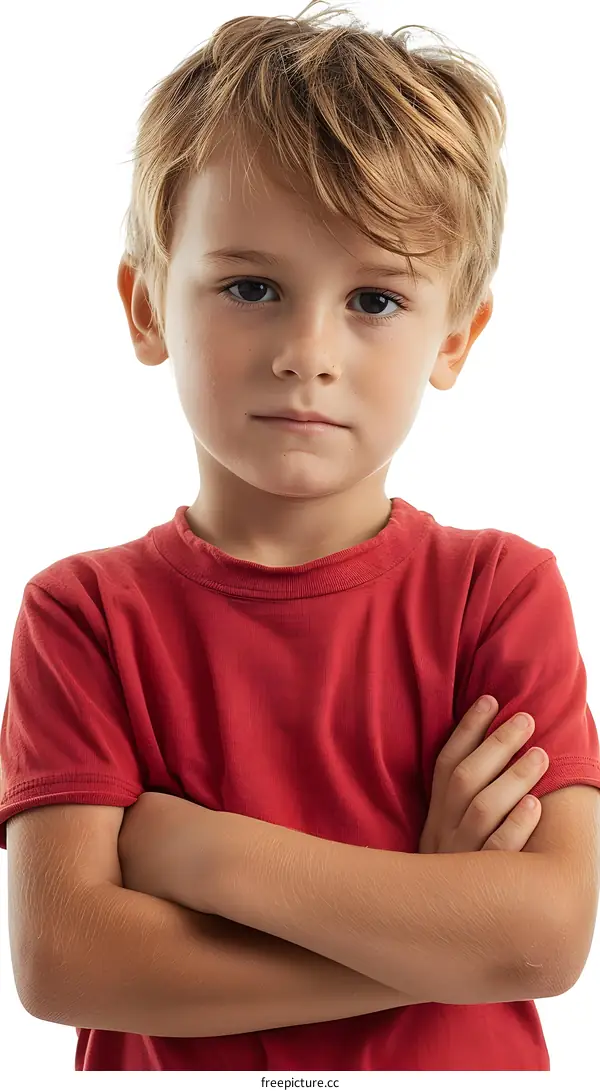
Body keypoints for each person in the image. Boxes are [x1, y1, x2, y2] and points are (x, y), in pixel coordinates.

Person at [1, 1, 599, 1073]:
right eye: (252, 287)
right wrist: (436, 925)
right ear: (145, 308)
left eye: (374, 295)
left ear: (456, 336)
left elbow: (544, 934)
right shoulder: (80, 613)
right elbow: (64, 958)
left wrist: (198, 850)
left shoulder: (500, 593)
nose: (306, 351)